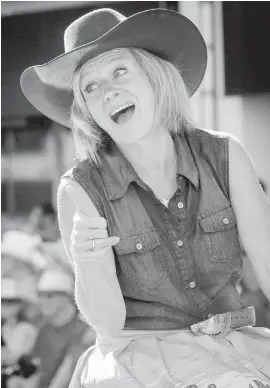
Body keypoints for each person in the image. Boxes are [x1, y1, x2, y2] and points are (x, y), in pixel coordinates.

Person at [20, 7, 270, 388]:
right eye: (90, 87)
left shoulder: (226, 155)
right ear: (86, 111)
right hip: (138, 361)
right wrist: (87, 262)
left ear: (155, 76)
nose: (108, 90)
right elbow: (107, 323)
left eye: (120, 70)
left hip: (232, 346)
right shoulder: (80, 189)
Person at [31, 270, 94, 388]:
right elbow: (37, 368)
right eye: (40, 295)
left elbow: (67, 372)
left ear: (67, 297)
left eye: (49, 296)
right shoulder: (45, 329)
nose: (42, 301)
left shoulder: (84, 331)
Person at [1, 278, 40, 388]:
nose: (6, 306)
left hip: (20, 380)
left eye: (11, 301)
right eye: (2, 301)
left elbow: (10, 359)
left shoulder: (27, 329)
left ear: (20, 304)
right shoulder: (3, 328)